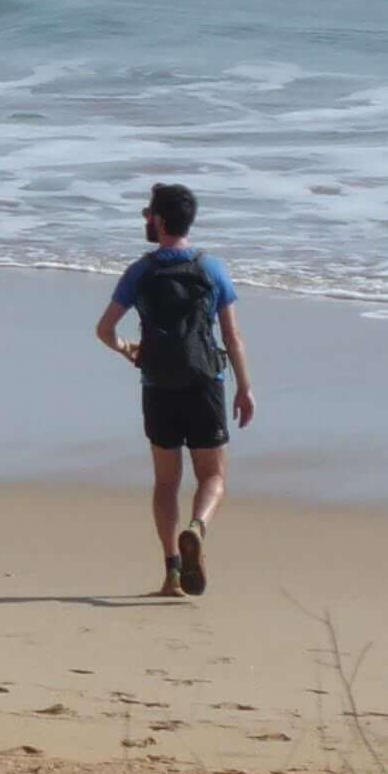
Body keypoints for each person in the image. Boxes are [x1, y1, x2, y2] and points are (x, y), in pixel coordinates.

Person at [93, 181, 254, 597]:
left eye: (149, 213)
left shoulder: (142, 271)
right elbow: (233, 337)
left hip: (158, 385)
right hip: (206, 383)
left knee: (166, 483)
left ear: (161, 220)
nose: (146, 219)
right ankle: (197, 527)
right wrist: (244, 388)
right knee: (213, 475)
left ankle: (172, 573)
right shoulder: (211, 268)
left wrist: (130, 349)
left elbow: (105, 330)